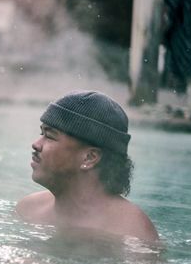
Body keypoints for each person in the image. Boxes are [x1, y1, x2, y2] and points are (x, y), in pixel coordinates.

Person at [16, 90, 159, 242]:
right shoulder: (28, 210)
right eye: (41, 133)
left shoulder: (131, 231)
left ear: (90, 157)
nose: (36, 144)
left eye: (50, 136)